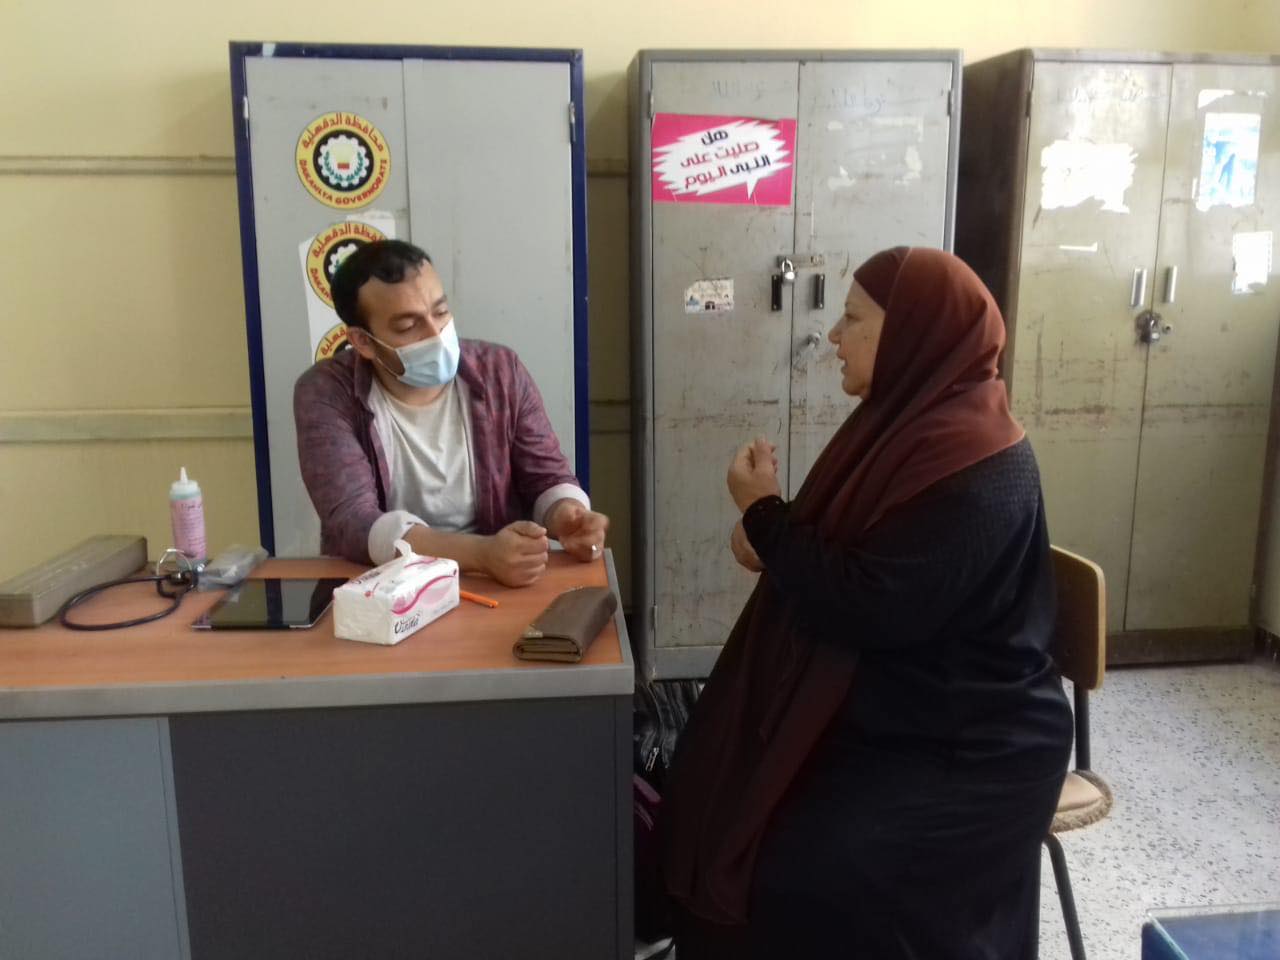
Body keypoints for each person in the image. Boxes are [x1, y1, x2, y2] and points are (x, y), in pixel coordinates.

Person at [660, 247, 1074, 958]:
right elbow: (860, 552)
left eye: (853, 319)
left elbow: (867, 604)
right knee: (718, 787)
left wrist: (766, 516)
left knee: (792, 866)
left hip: (970, 740)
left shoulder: (974, 463)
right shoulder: (910, 426)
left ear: (913, 335)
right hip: (899, 706)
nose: (833, 337)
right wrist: (772, 537)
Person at [294, 240, 607, 585]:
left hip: (495, 583)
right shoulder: (326, 392)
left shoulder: (500, 371)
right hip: (385, 587)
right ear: (363, 341)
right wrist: (482, 554)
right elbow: (354, 520)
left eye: (440, 312)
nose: (435, 334)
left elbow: (545, 476)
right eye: (407, 326)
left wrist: (568, 516)